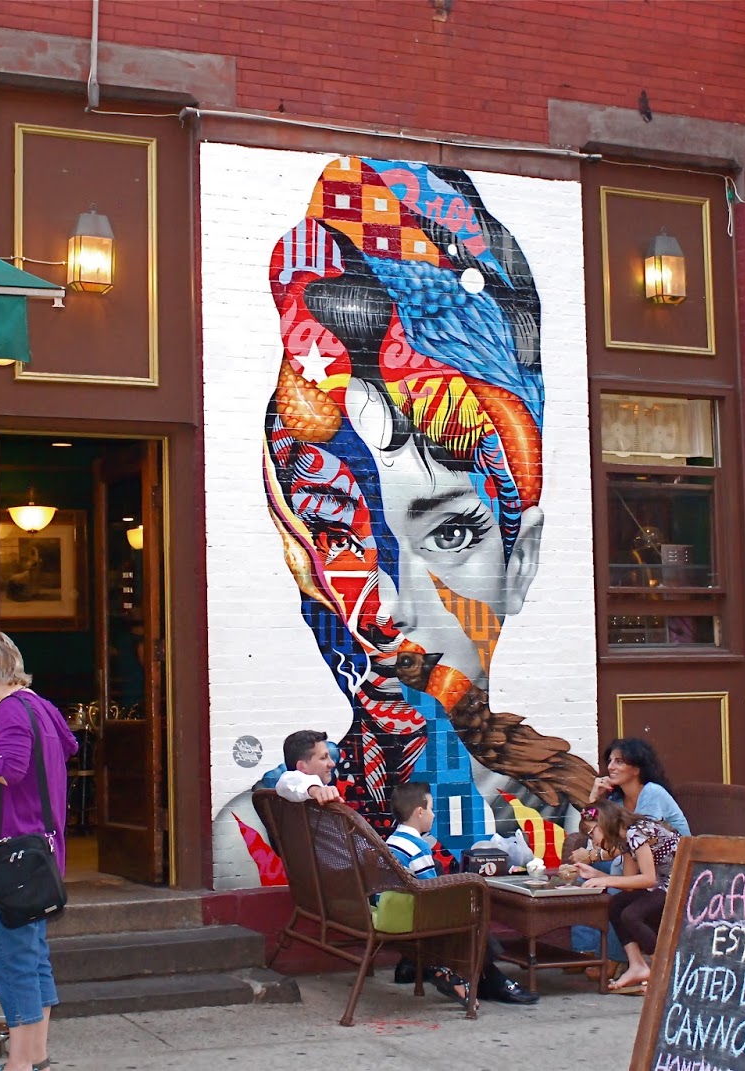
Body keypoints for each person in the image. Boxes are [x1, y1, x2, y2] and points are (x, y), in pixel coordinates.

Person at [213, 157, 600, 885]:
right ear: (300, 560)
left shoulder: (573, 823)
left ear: (520, 561)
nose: (388, 607)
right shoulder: (257, 835)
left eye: (450, 534)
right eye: (339, 536)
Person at [0, 632, 77, 1071]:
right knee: (33, 956)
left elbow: (10, 769)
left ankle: (19, 1064)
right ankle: (36, 1056)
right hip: (40, 852)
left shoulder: (10, 710)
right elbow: (68, 745)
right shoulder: (38, 704)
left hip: (11, 857)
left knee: (11, 960)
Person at [383, 782, 537, 1005]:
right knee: (474, 920)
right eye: (431, 808)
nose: (434, 814)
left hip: (400, 909)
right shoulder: (418, 847)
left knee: (464, 911)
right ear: (419, 812)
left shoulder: (393, 841)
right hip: (417, 916)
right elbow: (431, 889)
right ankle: (492, 980)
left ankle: (485, 978)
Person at [562, 800, 681, 996]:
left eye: (591, 833)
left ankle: (665, 973)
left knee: (632, 915)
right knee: (616, 904)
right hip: (661, 884)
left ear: (604, 823)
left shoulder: (636, 832)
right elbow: (629, 884)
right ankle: (637, 965)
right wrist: (597, 875)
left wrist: (606, 880)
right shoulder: (625, 838)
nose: (593, 842)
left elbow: (648, 878)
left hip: (678, 884)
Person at [274, 729, 343, 804]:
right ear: (302, 766)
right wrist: (314, 789)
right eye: (323, 758)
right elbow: (288, 781)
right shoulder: (290, 780)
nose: (332, 764)